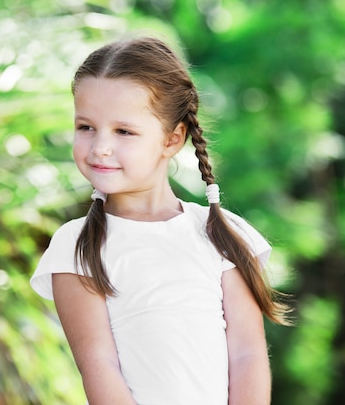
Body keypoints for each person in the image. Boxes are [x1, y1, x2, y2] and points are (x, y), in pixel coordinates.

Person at [30, 36, 291, 405]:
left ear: (172, 140)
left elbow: (247, 356)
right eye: (86, 127)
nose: (100, 146)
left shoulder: (221, 234)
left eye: (123, 131)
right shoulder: (76, 248)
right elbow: (99, 367)